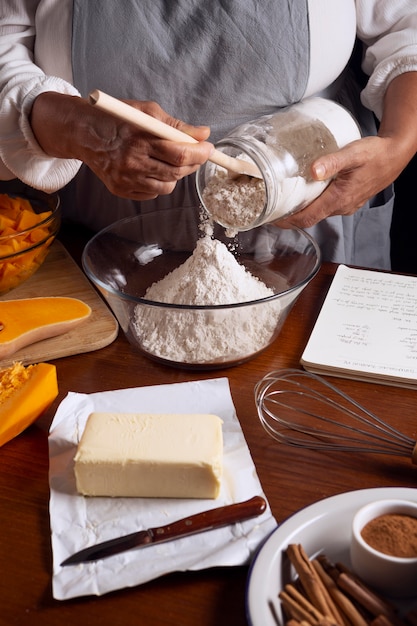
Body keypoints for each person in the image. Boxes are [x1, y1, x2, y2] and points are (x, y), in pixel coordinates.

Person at [0, 1, 417, 269]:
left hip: (307, 237)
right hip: (93, 245)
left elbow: (406, 24)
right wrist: (77, 128)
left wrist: (399, 142)